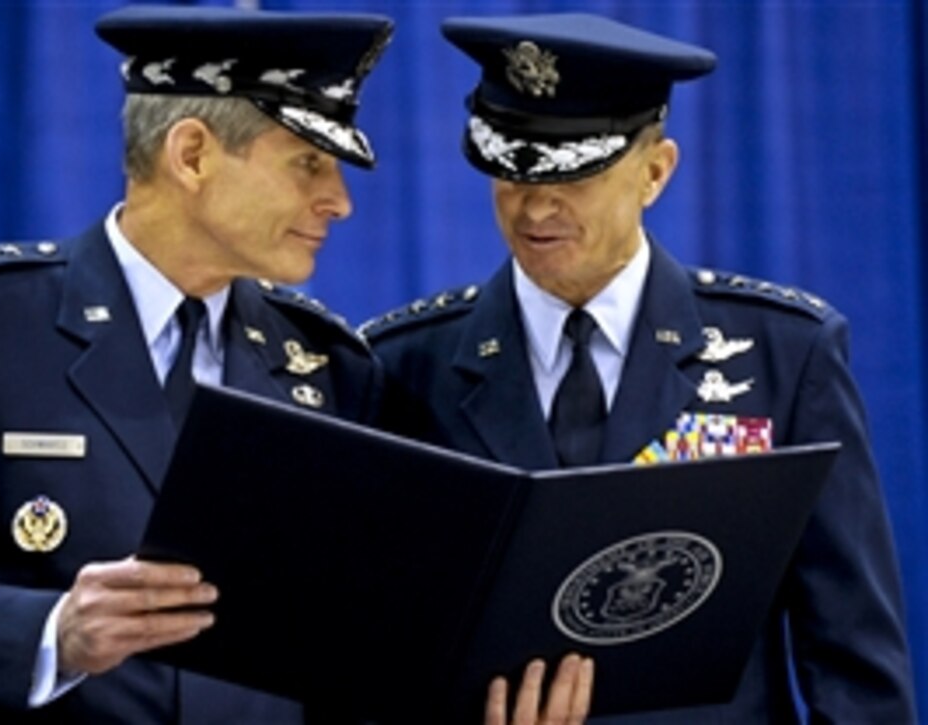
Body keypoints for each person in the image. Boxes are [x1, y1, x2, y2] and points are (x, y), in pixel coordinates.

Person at [0, 4, 589, 722]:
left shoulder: (329, 366)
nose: (339, 201)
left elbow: (361, 640)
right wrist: (50, 631)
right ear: (192, 154)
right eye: (308, 164)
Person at [363, 13, 917, 724]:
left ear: (655, 171)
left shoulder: (785, 354)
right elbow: (373, 652)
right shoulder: (405, 365)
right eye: (510, 169)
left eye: (575, 173)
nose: (534, 205)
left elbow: (854, 658)